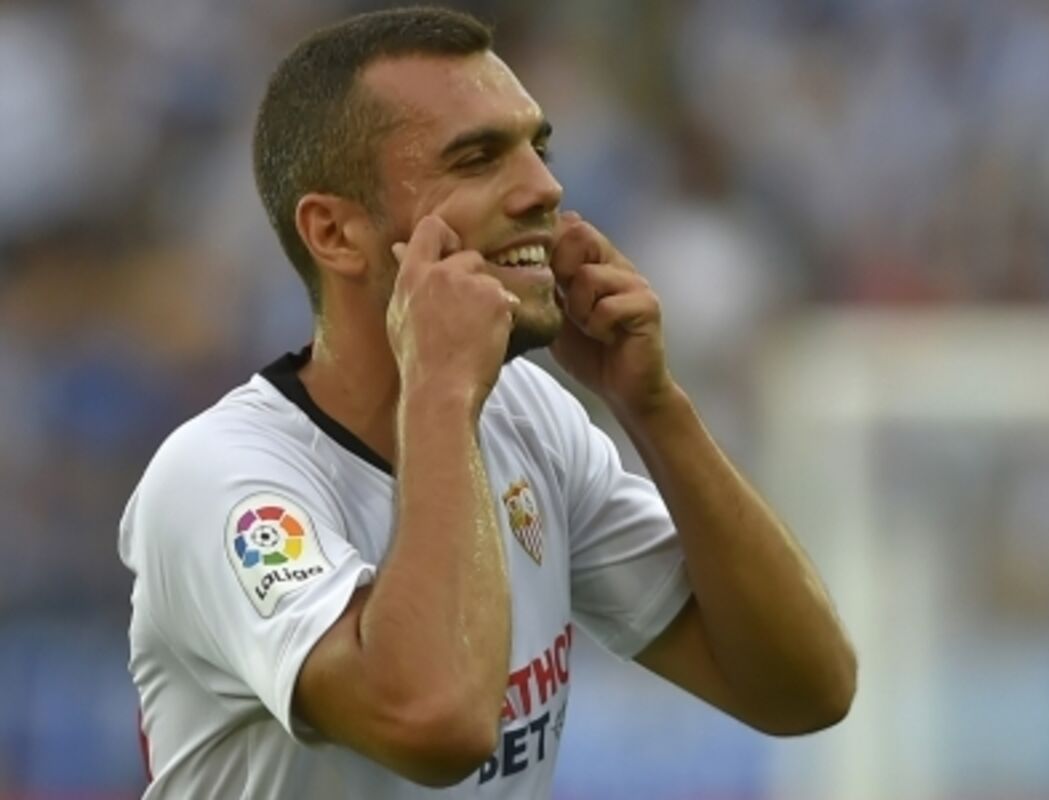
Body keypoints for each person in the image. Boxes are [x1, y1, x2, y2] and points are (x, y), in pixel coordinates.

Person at [118, 6, 856, 798]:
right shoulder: (220, 480)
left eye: (538, 149)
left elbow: (805, 689)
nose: (545, 188)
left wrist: (653, 407)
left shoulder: (529, 416)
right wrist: (439, 390)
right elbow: (435, 725)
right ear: (334, 233)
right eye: (476, 160)